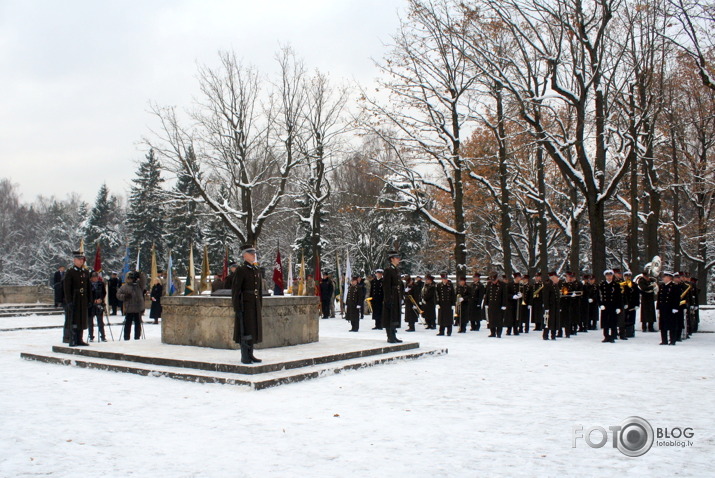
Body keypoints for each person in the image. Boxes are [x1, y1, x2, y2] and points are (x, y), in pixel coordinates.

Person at [231, 245, 264, 364]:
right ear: (244, 255)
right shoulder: (241, 270)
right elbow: (236, 290)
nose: (253, 255)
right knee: (245, 329)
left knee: (253, 329)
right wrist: (237, 307)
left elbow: (259, 289)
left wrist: (259, 303)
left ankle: (251, 354)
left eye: (254, 253)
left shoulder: (256, 269)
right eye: (251, 253)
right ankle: (245, 355)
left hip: (254, 304)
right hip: (245, 304)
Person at [63, 251, 90, 346]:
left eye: (82, 259)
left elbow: (88, 287)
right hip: (74, 298)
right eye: (79, 259)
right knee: (74, 320)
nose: (81, 261)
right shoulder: (70, 272)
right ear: (74, 260)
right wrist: (69, 301)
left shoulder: (85, 272)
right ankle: (73, 339)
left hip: (82, 299)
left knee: (82, 320)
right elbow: (67, 288)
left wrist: (89, 299)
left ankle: (80, 339)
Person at [116, 271, 146, 340]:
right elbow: (118, 295)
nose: (130, 279)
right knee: (127, 324)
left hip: (138, 307)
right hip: (129, 308)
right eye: (129, 278)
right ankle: (126, 337)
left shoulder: (139, 285)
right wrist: (125, 296)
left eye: (131, 278)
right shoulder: (124, 287)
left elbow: (144, 281)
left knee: (138, 324)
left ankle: (137, 336)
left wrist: (140, 275)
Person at [382, 251, 403, 344]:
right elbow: (386, 286)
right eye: (396, 257)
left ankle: (394, 335)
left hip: (396, 296)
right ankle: (390, 336)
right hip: (391, 296)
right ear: (392, 259)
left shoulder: (396, 270)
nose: (398, 259)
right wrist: (388, 299)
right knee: (390, 316)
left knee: (395, 316)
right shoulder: (388, 270)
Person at [598, 269, 623, 343]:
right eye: (607, 275)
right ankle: (606, 336)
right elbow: (599, 296)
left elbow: (619, 297)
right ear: (605, 276)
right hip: (605, 306)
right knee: (605, 322)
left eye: (610, 275)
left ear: (612, 276)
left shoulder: (616, 285)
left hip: (613, 305)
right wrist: (600, 304)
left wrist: (619, 307)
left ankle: (613, 336)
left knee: (613, 321)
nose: (609, 277)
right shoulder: (602, 285)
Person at [657, 272, 679, 345]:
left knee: (671, 325)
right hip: (663, 308)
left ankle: (672, 340)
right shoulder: (662, 286)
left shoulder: (674, 286)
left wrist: (675, 307)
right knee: (663, 325)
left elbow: (676, 298)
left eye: (665, 277)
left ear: (669, 277)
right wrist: (658, 307)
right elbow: (659, 298)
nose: (663, 278)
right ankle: (664, 340)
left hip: (670, 309)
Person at [484, 273, 508, 338]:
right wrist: (486, 303)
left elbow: (504, 296)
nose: (493, 282)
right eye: (492, 280)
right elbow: (487, 294)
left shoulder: (502, 285)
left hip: (499, 305)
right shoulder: (490, 284)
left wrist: (504, 305)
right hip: (491, 305)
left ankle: (499, 333)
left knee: (499, 320)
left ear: (497, 279)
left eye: (494, 280)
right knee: (491, 319)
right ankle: (492, 332)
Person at [87, 271, 107, 342]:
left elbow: (104, 292)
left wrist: (101, 299)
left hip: (99, 304)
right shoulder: (88, 284)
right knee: (90, 322)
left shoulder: (101, 284)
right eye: (93, 277)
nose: (95, 278)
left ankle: (103, 336)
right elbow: (87, 295)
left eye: (96, 277)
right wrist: (93, 300)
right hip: (91, 305)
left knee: (100, 321)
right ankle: (91, 336)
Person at [542, 271, 562, 340]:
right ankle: (545, 335)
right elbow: (546, 297)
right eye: (556, 277)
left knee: (554, 321)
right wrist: (546, 307)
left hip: (555, 306)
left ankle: (553, 335)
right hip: (550, 306)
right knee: (548, 321)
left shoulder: (555, 285)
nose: (558, 279)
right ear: (553, 278)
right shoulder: (548, 285)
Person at [622, 271, 640, 338]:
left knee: (631, 319)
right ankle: (623, 332)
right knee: (624, 319)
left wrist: (637, 304)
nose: (627, 277)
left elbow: (637, 295)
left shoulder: (634, 285)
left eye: (629, 276)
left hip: (632, 304)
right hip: (624, 305)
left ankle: (631, 332)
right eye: (626, 276)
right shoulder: (622, 285)